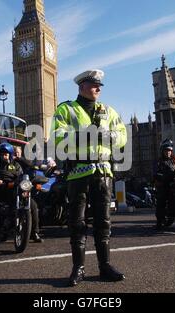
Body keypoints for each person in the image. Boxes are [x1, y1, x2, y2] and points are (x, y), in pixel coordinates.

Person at [51, 69, 128, 287]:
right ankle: (79, 268)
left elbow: (122, 134)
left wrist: (108, 136)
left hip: (103, 173)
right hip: (78, 173)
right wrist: (87, 135)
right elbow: (57, 137)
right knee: (77, 223)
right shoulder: (66, 109)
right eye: (94, 85)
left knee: (104, 222)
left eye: (99, 86)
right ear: (82, 86)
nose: (98, 89)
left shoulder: (108, 110)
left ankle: (105, 266)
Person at [0, 143, 23, 237]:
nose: (4, 156)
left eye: (6, 154)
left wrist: (16, 182)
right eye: (2, 154)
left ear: (10, 154)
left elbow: (21, 177)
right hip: (0, 190)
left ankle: (32, 231)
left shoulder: (16, 165)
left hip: (13, 189)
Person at [13, 146, 43, 243]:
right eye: (14, 152)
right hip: (12, 190)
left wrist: (19, 159)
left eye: (17, 152)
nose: (16, 154)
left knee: (33, 207)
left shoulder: (23, 162)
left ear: (21, 153)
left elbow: (31, 165)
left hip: (23, 190)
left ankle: (35, 233)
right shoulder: (9, 162)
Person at [153, 139, 175, 230]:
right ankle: (159, 221)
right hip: (165, 184)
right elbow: (155, 173)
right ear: (162, 151)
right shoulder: (158, 162)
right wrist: (162, 176)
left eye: (169, 151)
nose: (168, 152)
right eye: (166, 151)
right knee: (162, 198)